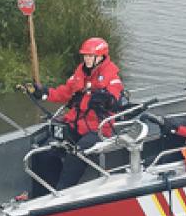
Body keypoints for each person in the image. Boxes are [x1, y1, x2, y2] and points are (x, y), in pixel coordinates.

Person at [28, 37, 124, 195]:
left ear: (100, 57)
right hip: (76, 124)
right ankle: (42, 193)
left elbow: (115, 98)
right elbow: (63, 92)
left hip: (98, 129)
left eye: (89, 56)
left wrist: (105, 98)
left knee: (77, 153)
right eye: (85, 55)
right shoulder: (79, 74)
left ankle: (62, 192)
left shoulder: (111, 77)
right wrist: (44, 93)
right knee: (44, 151)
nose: (86, 59)